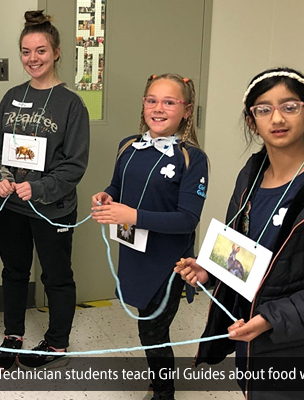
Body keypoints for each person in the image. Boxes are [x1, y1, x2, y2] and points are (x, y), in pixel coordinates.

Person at [175, 67, 304, 399]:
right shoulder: (250, 176)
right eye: (264, 109)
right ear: (252, 121)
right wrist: (210, 269)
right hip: (254, 348)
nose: (278, 118)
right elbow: (246, 252)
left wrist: (271, 317)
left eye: (290, 106)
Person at [91, 73, 208, 400]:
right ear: (143, 105)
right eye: (152, 100)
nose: (159, 108)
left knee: (154, 330)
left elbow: (187, 219)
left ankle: (163, 392)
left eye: (169, 102)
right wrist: (106, 196)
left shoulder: (192, 159)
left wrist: (133, 216)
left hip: (169, 262)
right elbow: (117, 186)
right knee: (147, 324)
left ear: (186, 110)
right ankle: (158, 382)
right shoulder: (128, 146)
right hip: (134, 253)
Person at [0, 10, 90, 371]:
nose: (33, 59)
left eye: (41, 50)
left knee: (57, 277)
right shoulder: (12, 96)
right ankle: (13, 334)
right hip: (10, 207)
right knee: (13, 272)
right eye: (26, 52)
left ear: (57, 52)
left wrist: (40, 186)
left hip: (52, 209)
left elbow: (75, 164)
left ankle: (57, 343)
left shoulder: (72, 104)